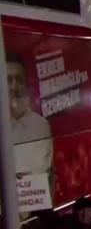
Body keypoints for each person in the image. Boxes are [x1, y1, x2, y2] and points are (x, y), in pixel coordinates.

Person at [7, 51, 53, 180]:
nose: (14, 86)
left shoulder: (39, 125)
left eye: (19, 80)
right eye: (8, 80)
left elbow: (39, 173)